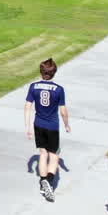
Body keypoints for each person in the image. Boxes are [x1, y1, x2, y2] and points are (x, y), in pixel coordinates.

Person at [25, 58, 70, 202]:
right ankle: (49, 181)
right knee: (54, 155)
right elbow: (63, 111)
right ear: (54, 72)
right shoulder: (59, 89)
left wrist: (28, 127)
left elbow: (27, 107)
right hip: (52, 126)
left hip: (38, 124)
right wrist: (67, 124)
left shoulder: (33, 87)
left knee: (43, 153)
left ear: (41, 72)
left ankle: (42, 181)